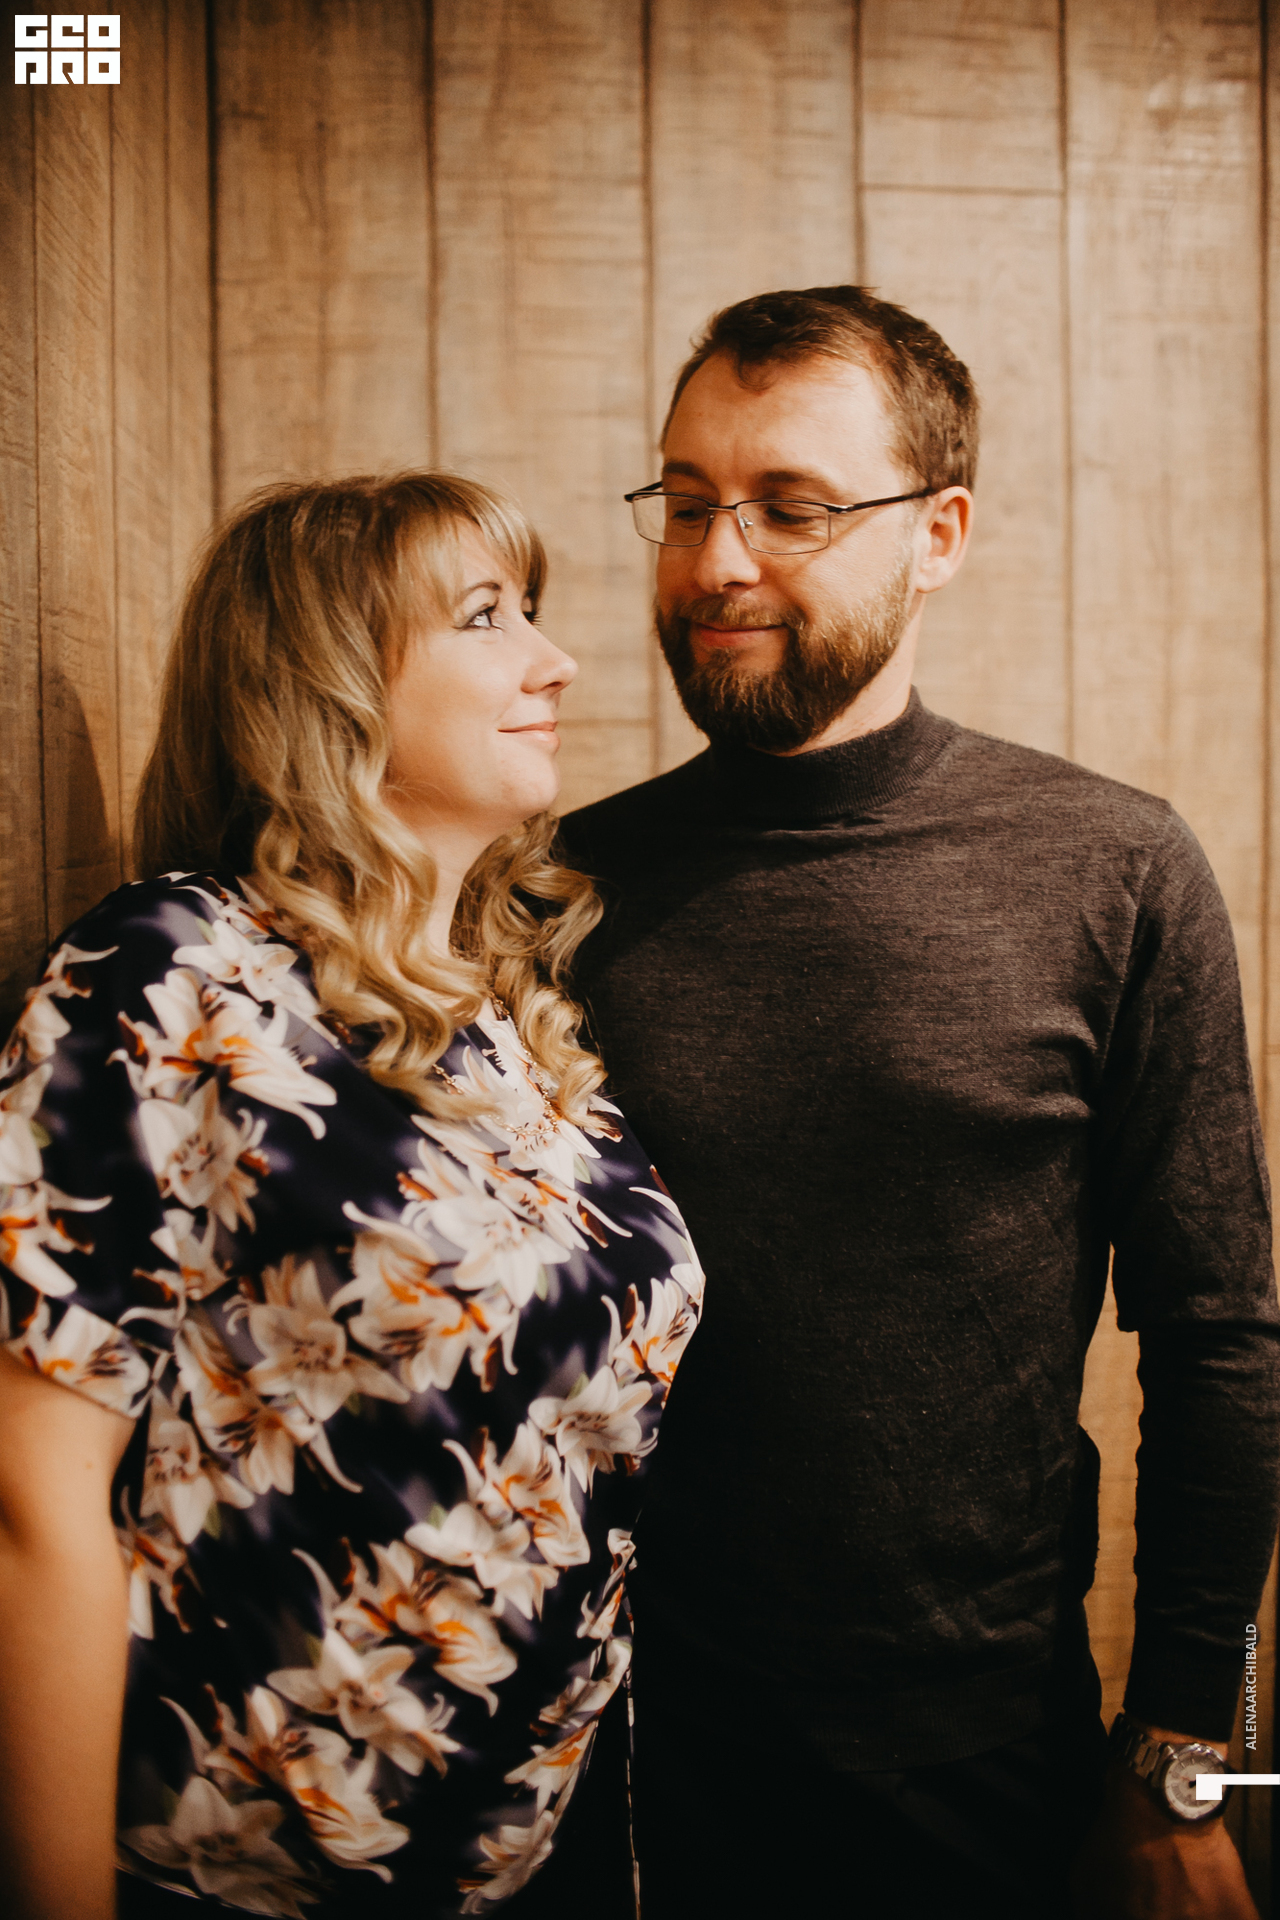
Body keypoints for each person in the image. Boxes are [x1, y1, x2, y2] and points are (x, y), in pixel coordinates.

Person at [556, 287, 1280, 1919]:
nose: (717, 562)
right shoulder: (558, 891)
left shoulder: (1115, 870)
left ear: (937, 533)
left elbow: (1224, 1340)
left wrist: (1191, 1766)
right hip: (604, 1757)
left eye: (791, 508)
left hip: (980, 1766)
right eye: (687, 502)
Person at [0, 473, 702, 1920]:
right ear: (326, 682)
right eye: (486, 616)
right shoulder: (171, 974)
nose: (556, 661)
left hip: (532, 1854)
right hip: (246, 1875)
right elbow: (30, 1501)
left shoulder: (503, 1008)